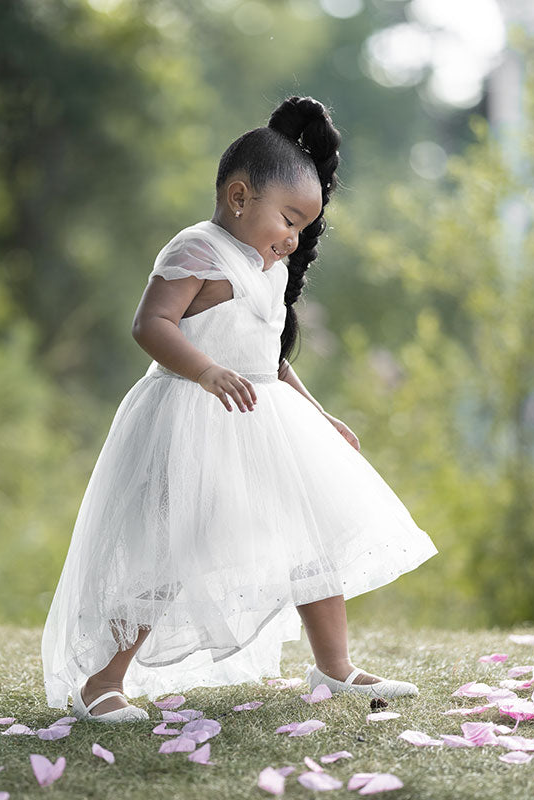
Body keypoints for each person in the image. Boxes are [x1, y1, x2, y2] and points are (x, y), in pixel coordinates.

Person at [41, 95, 439, 723]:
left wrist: (318, 414)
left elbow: (268, 356)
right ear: (238, 196)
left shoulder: (268, 267)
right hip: (189, 417)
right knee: (164, 550)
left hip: (264, 418)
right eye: (288, 218)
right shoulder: (195, 250)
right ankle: (104, 680)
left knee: (314, 538)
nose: (294, 238)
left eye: (303, 227)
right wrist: (204, 370)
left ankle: (333, 666)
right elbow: (151, 324)